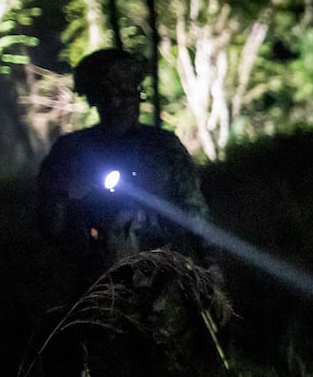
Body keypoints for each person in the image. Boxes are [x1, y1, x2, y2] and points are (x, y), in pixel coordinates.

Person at [36, 47, 218, 289]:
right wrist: (65, 194)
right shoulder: (71, 151)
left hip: (163, 279)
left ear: (137, 95)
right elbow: (50, 225)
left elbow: (195, 213)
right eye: (106, 94)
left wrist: (211, 267)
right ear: (94, 100)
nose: (115, 102)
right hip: (99, 284)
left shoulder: (163, 146)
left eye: (124, 92)